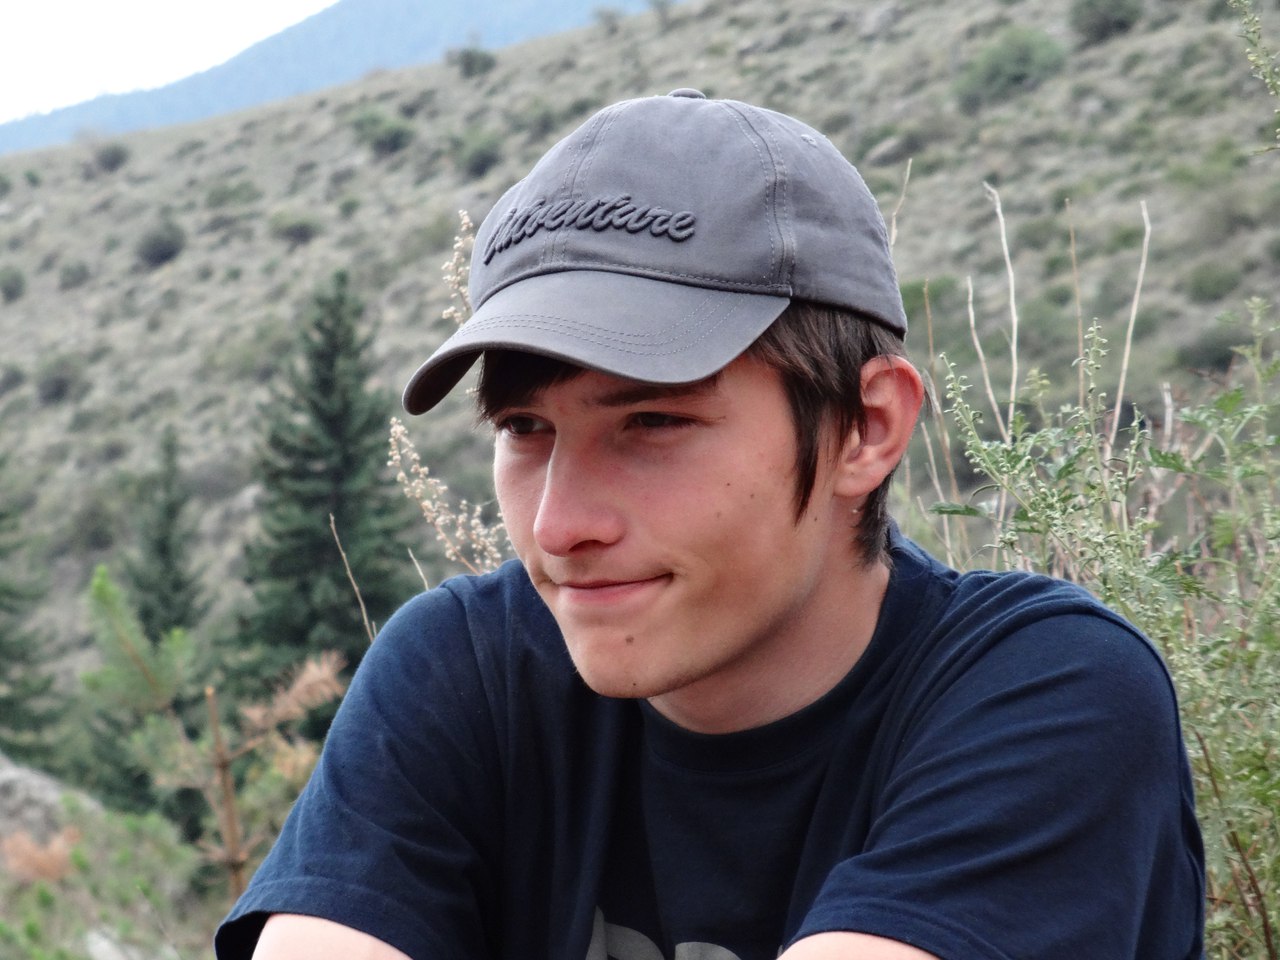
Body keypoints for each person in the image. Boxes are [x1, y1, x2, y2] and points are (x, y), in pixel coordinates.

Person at [215, 90, 1205, 960]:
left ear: (867, 428)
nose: (558, 526)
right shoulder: (467, 670)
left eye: (652, 423)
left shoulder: (1046, 693)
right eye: (524, 428)